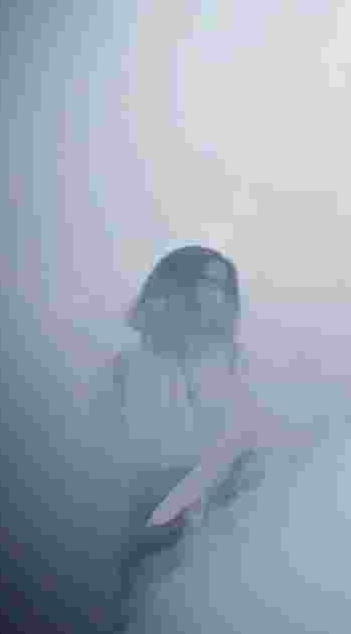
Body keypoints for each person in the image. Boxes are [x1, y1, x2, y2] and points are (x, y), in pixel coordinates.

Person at [82, 245, 312, 631]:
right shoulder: (122, 371)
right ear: (171, 288)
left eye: (225, 289)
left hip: (226, 552)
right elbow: (95, 460)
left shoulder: (244, 368)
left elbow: (265, 451)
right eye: (206, 284)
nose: (216, 298)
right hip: (142, 544)